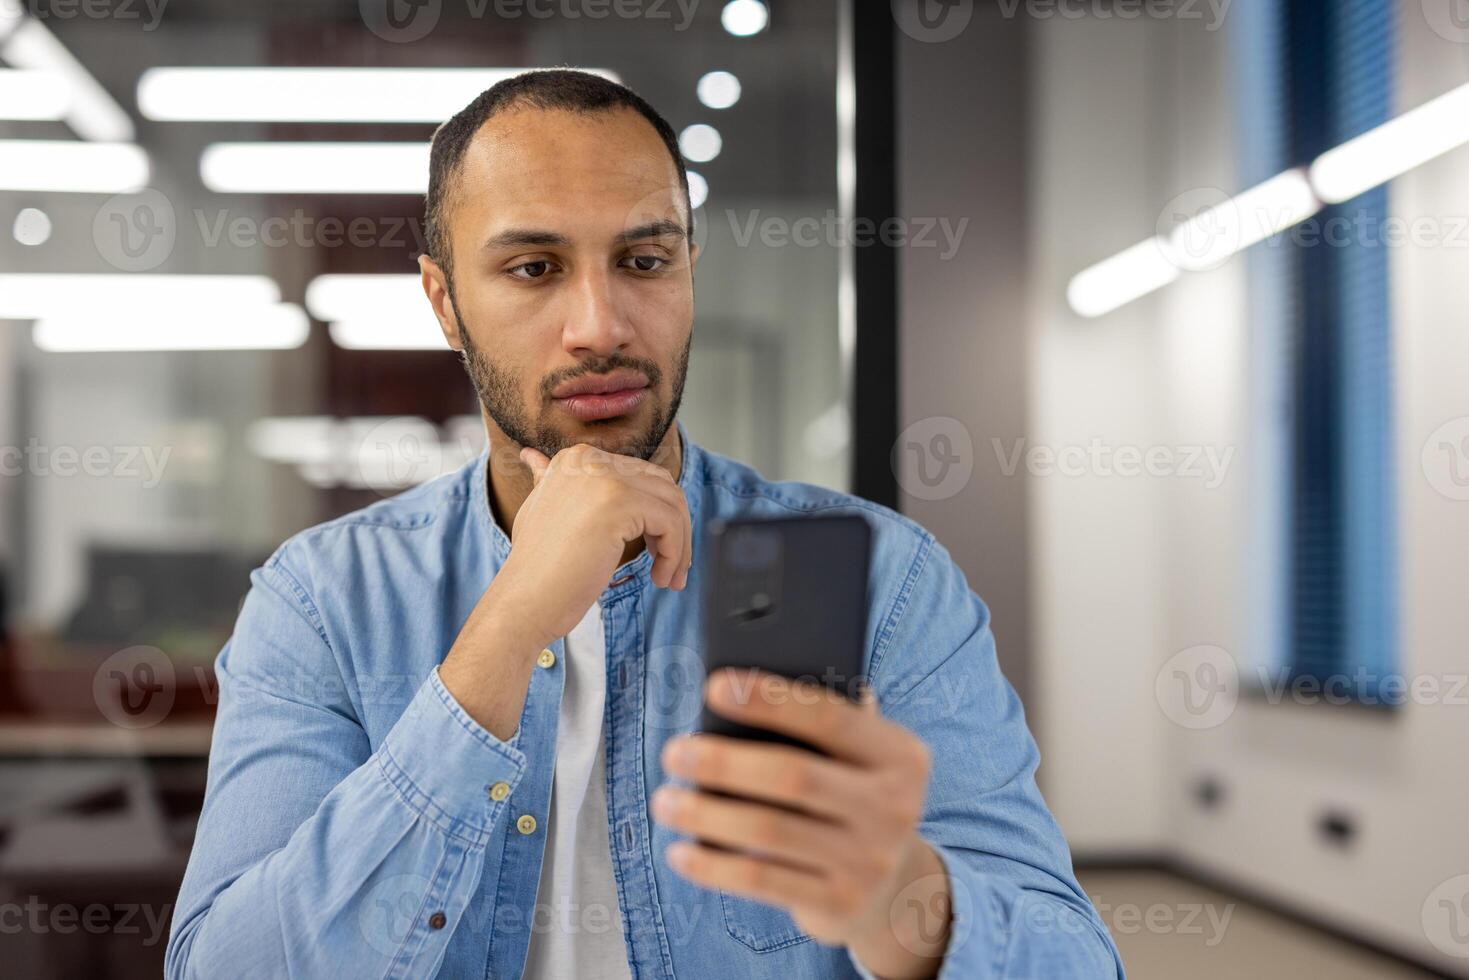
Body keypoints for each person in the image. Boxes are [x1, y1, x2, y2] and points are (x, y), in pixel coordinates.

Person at [166, 70, 1122, 980]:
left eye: (643, 260)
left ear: (689, 274)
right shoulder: (327, 599)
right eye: (533, 267)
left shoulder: (881, 582)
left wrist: (902, 894)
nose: (600, 324)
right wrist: (506, 629)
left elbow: (1072, 959)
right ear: (444, 302)